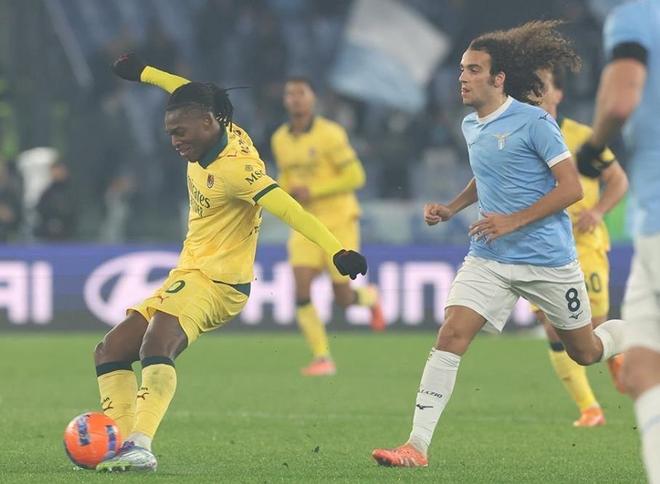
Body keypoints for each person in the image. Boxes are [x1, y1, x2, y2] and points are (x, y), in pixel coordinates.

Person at [93, 53, 368, 473]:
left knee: (157, 344)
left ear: (208, 123)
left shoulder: (237, 170)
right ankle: (117, 443)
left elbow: (289, 208)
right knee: (110, 350)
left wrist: (337, 250)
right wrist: (143, 73)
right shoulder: (207, 117)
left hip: (220, 282)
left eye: (180, 132)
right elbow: (181, 88)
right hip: (189, 271)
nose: (174, 141)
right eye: (170, 132)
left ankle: (139, 444)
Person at [371, 21, 626, 468]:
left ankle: (641, 331)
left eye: (473, 70)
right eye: (461, 70)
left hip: (548, 260)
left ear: (498, 78)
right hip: (490, 257)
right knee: (451, 334)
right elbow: (485, 174)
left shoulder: (535, 122)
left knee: (585, 352)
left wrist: (513, 220)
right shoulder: (471, 125)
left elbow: (571, 189)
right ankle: (416, 446)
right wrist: (452, 208)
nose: (462, 78)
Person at [576, 2, 660, 481]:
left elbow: (621, 99)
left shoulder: (635, 16)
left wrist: (594, 146)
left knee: (646, 370)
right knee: (640, 368)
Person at [533, 66, 628, 427]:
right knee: (553, 327)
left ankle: (616, 352)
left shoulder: (582, 137)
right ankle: (590, 408)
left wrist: (598, 211)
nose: (536, 92)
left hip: (584, 244)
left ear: (559, 94)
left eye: (543, 86)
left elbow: (618, 181)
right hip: (542, 247)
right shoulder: (521, 134)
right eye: (531, 87)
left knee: (591, 330)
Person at [271, 77, 384, 376]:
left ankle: (370, 298)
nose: (295, 98)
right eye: (290, 93)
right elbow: (285, 176)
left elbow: (356, 176)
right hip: (305, 224)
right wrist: (284, 191)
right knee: (301, 288)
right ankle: (322, 357)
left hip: (338, 221)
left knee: (343, 298)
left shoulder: (330, 134)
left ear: (313, 99)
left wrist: (314, 190)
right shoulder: (279, 138)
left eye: (301, 93)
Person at [34, 161, 77, 240]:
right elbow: (40, 208)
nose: (56, 174)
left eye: (58, 171)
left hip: (69, 233)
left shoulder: (73, 191)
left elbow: (75, 210)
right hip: (48, 232)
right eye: (54, 171)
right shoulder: (47, 192)